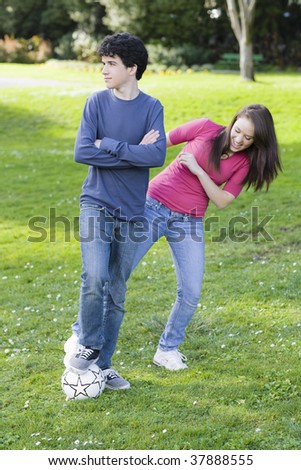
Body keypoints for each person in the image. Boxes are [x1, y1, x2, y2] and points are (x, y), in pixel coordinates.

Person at [130, 104, 282, 371]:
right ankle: (84, 337)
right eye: (238, 131)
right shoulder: (204, 128)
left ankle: (167, 349)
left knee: (191, 292)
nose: (239, 140)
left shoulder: (244, 163)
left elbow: (222, 200)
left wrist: (199, 170)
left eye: (248, 139)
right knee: (117, 273)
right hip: (152, 206)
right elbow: (162, 143)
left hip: (189, 221)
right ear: (233, 121)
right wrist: (133, 155)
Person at [64, 32, 166, 389]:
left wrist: (107, 145)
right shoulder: (96, 103)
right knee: (94, 276)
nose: (104, 70)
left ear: (132, 68)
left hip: (132, 211)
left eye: (111, 64)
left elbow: (156, 156)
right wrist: (132, 151)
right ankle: (89, 344)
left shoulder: (152, 107)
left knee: (117, 289)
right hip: (96, 201)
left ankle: (104, 365)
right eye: (103, 63)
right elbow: (81, 152)